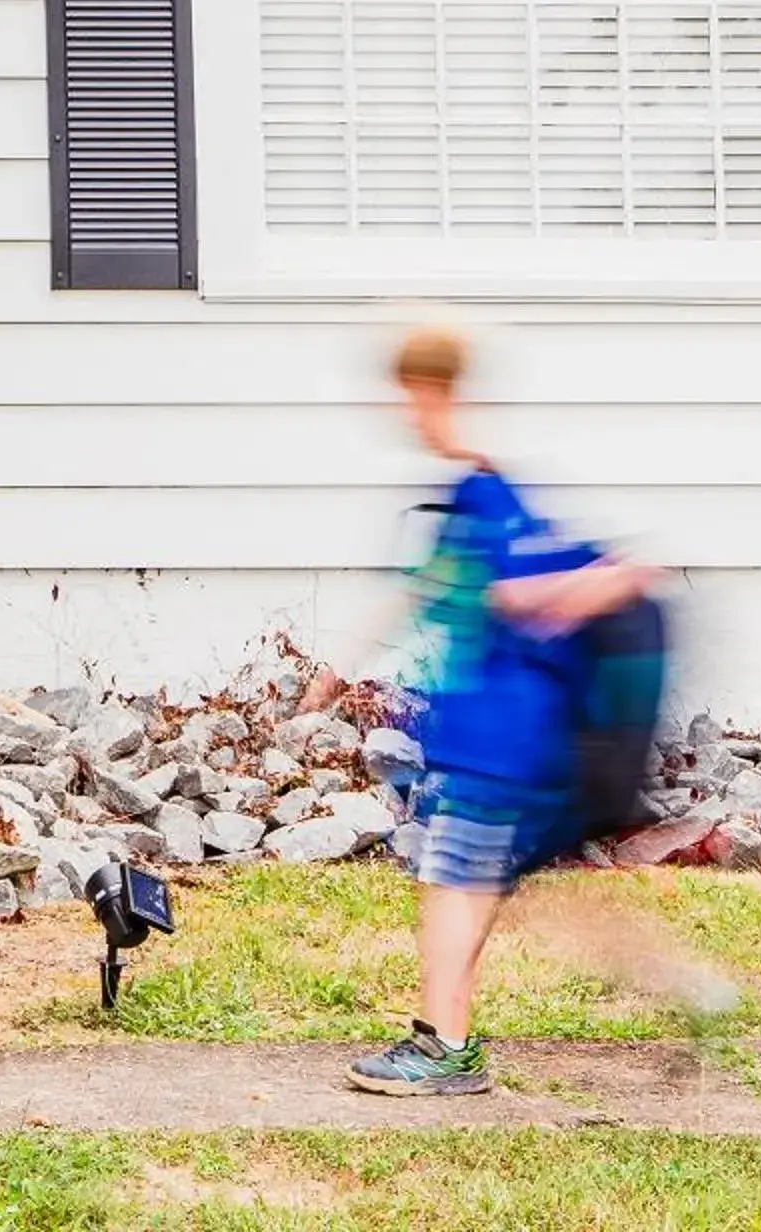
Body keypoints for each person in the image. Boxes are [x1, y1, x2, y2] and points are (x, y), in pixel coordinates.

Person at [299, 326, 652, 1096]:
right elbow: (422, 591)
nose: (401, 411)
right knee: (469, 884)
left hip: (503, 734)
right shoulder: (474, 492)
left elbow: (607, 577)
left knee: (454, 883)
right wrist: (337, 667)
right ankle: (450, 1039)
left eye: (407, 394)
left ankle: (446, 1049)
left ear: (432, 393)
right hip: (492, 732)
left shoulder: (487, 495)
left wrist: (532, 599)